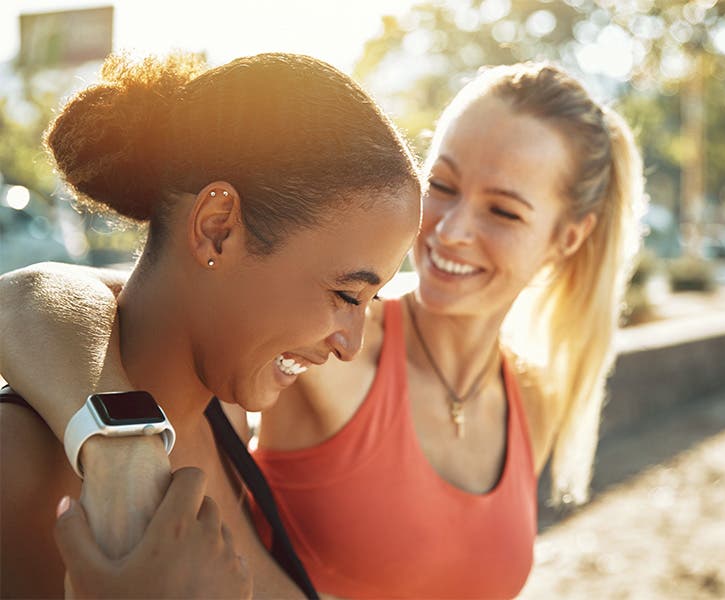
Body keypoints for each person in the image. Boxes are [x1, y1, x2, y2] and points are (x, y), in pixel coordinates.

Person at [1, 62, 645, 599]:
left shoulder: (526, 394)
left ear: (568, 237)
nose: (448, 232)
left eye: (504, 209)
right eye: (441, 186)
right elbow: (51, 295)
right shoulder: (291, 369)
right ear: (217, 227)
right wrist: (120, 447)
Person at [0, 50, 421, 599]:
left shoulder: (224, 412)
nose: (351, 343)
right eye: (345, 294)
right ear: (217, 228)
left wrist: (123, 438)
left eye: (371, 299)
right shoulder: (17, 469)